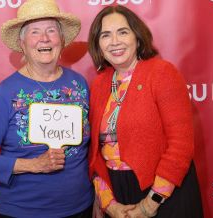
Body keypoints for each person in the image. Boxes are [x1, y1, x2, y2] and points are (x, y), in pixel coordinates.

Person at [0, 0, 93, 217]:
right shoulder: (6, 92)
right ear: (23, 43)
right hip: (24, 211)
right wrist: (34, 164)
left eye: (51, 31)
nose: (44, 38)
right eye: (35, 32)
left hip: (80, 208)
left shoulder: (79, 84)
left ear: (62, 40)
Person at [87, 5, 203, 218]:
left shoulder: (162, 73)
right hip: (118, 193)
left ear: (137, 37)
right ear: (98, 44)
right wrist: (108, 203)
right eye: (105, 35)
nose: (114, 41)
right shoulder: (99, 84)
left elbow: (181, 146)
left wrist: (150, 204)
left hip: (165, 193)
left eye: (123, 32)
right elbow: (94, 153)